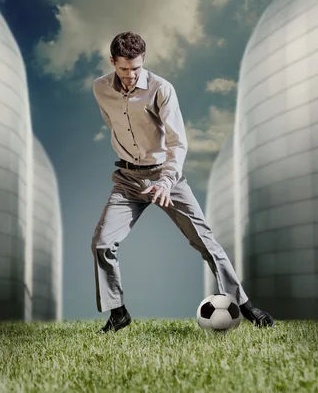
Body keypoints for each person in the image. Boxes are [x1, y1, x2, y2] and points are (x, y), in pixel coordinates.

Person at [91, 31, 275, 334]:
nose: (130, 75)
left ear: (143, 61)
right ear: (112, 62)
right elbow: (114, 125)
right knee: (101, 243)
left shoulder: (161, 89)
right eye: (123, 68)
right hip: (127, 181)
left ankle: (245, 305)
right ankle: (118, 313)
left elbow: (178, 142)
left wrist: (164, 181)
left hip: (166, 177)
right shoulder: (100, 88)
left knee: (205, 242)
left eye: (136, 68)